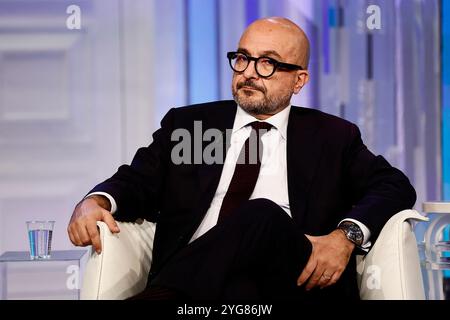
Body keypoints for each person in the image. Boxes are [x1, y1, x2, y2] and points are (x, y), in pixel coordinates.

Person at [67, 17, 416, 300]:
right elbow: (137, 180)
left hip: (293, 284)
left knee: (263, 213)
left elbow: (394, 185)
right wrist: (95, 200)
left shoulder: (330, 136)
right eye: (243, 58)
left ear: (299, 80)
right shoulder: (194, 126)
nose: (248, 72)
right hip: (204, 296)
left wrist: (345, 236)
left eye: (267, 63)